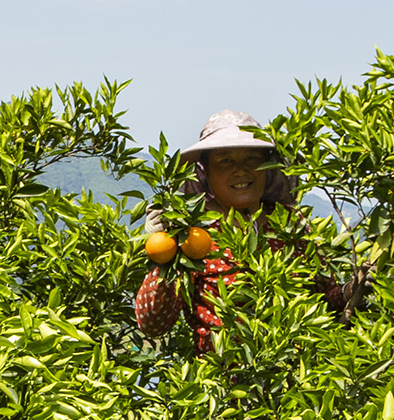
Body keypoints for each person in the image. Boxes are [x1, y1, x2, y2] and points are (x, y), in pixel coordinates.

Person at [134, 109, 360, 354]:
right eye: (225, 161)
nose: (240, 170)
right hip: (223, 374)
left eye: (252, 158)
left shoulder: (287, 220)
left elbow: (323, 299)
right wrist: (164, 255)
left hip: (295, 370)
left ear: (267, 166)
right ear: (205, 171)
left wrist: (351, 290)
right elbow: (153, 324)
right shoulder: (190, 230)